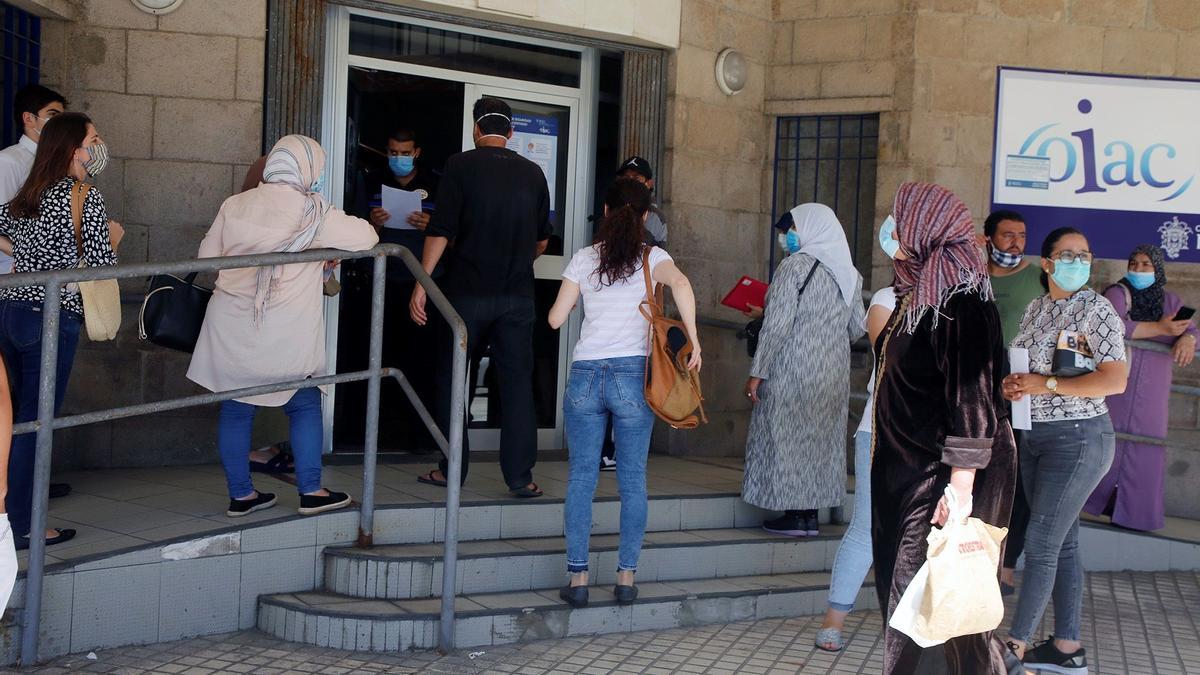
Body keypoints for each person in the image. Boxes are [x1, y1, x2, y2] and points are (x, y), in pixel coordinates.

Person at [187, 135, 378, 518]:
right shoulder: (314, 212)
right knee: (304, 404)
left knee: (237, 409)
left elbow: (207, 257)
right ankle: (312, 491)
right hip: (286, 332)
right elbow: (367, 237)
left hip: (232, 329)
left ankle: (241, 496)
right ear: (308, 169)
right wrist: (315, 248)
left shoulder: (235, 204)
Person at [872, 182, 1017, 674]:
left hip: (938, 483)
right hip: (909, 476)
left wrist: (960, 487)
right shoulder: (921, 293)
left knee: (932, 609)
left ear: (923, 226)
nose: (893, 230)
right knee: (917, 606)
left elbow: (974, 396)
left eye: (899, 219)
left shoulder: (961, 300)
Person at [549, 178, 700, 608]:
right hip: (633, 376)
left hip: (585, 374)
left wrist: (583, 301)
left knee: (582, 478)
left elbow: (556, 320)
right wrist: (695, 340)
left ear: (606, 209)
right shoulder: (654, 257)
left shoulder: (583, 259)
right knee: (633, 480)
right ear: (646, 216)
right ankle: (626, 578)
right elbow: (684, 286)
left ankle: (577, 580)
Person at [409, 98, 550, 498]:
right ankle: (521, 477)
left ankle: (452, 469)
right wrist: (518, 256)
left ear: (476, 130)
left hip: (465, 295)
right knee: (518, 384)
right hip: (517, 297)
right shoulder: (533, 173)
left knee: (454, 381)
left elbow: (440, 230)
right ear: (510, 134)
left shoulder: (459, 166)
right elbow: (542, 240)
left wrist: (422, 282)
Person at [1003, 227, 1128, 673]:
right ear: (1049, 263)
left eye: (1085, 254)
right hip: (1036, 435)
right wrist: (1017, 384)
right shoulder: (1037, 308)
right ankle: (1066, 647)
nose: (1078, 261)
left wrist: (1046, 384)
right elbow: (1031, 370)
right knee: (1065, 543)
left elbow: (1114, 380)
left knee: (1040, 544)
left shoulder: (1099, 311)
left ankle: (1014, 649)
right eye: (1067, 254)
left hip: (1078, 438)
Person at [0, 112, 121, 549]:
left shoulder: (30, 192)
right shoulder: (83, 194)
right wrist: (115, 236)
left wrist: (28, 258)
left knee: (12, 421)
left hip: (12, 312)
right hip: (52, 316)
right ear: (75, 148)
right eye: (94, 137)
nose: (99, 144)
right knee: (35, 423)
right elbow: (101, 264)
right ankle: (23, 526)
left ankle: (9, 517)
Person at [742, 203, 865, 537]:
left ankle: (794, 516)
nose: (786, 238)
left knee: (787, 437)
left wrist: (758, 371)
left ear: (810, 228)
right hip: (832, 371)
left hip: (792, 366)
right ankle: (810, 516)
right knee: (819, 441)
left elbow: (778, 325)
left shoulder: (794, 267)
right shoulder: (850, 273)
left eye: (790, 230)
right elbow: (857, 328)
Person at [814, 219, 898, 651]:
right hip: (880, 429)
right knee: (866, 528)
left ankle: (907, 632)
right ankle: (833, 621)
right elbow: (892, 359)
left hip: (932, 438)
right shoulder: (887, 298)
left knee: (918, 536)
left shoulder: (958, 302)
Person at [1083, 244, 1195, 533]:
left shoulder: (1170, 301)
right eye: (1135, 263)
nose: (1139, 269)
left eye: (1147, 265)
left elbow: (1189, 328)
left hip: (1153, 396)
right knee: (1107, 441)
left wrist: (1188, 339)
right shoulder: (1117, 294)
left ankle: (1136, 515)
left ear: (1158, 269)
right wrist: (1160, 329)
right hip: (1117, 385)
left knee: (1146, 449)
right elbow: (1110, 325)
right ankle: (1090, 505)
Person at [982, 209, 1043, 596]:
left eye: (1021, 236)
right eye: (1007, 236)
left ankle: (1007, 563)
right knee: (976, 474)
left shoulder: (1038, 276)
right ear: (989, 238)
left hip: (1021, 386)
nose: (1015, 243)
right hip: (976, 382)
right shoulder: (972, 274)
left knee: (1015, 477)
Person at [598, 156, 669, 473]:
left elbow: (659, 267)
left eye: (639, 179)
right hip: (608, 319)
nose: (633, 183)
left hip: (637, 316)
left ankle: (619, 451)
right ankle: (607, 451)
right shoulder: (608, 217)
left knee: (631, 386)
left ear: (650, 185)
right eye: (627, 177)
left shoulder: (652, 219)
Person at [0, 85, 67, 276]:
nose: (59, 125)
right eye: (53, 115)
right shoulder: (8, 161)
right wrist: (29, 256)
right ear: (29, 118)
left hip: (46, 273)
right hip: (12, 274)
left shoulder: (55, 163)